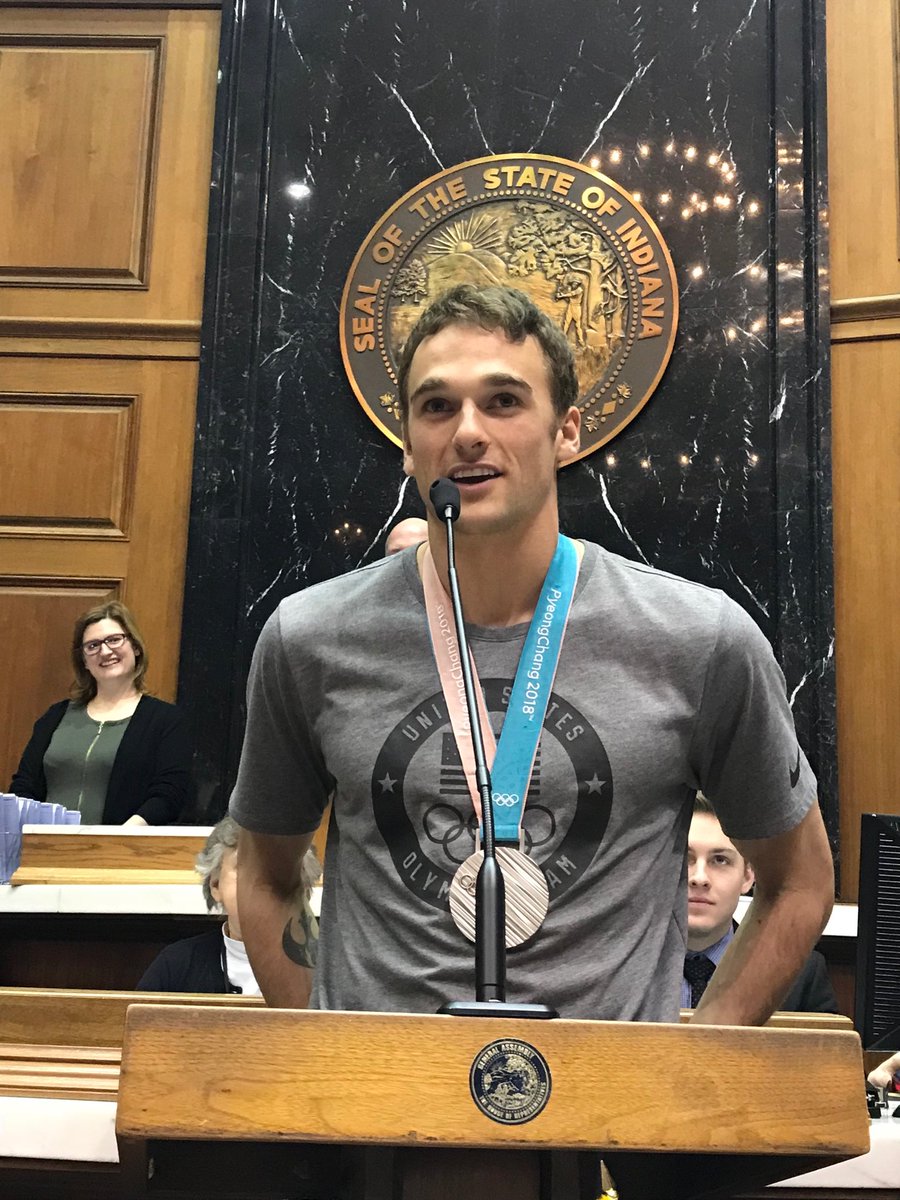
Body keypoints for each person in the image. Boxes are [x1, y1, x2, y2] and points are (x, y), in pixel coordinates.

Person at [230, 283, 834, 1023]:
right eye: (437, 406)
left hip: (608, 1122)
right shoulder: (309, 636)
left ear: (568, 431)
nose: (469, 433)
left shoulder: (699, 638)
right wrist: (329, 1059)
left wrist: (696, 1060)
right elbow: (263, 876)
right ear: (407, 441)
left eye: (505, 401)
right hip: (382, 1121)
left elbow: (799, 881)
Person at [9, 601, 192, 825]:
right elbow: (23, 787)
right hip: (48, 853)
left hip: (120, 853)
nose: (105, 651)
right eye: (93, 646)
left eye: (114, 640)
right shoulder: (55, 717)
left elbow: (169, 793)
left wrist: (120, 838)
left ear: (135, 646)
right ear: (84, 661)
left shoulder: (165, 720)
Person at [683, 794, 838, 1013]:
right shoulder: (619, 962)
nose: (699, 878)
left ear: (748, 876)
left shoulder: (801, 973)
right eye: (684, 858)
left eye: (720, 860)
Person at [137, 815, 319, 994]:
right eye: (244, 866)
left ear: (303, 886)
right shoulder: (176, 965)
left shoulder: (328, 967)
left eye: (276, 867)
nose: (260, 881)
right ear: (216, 885)